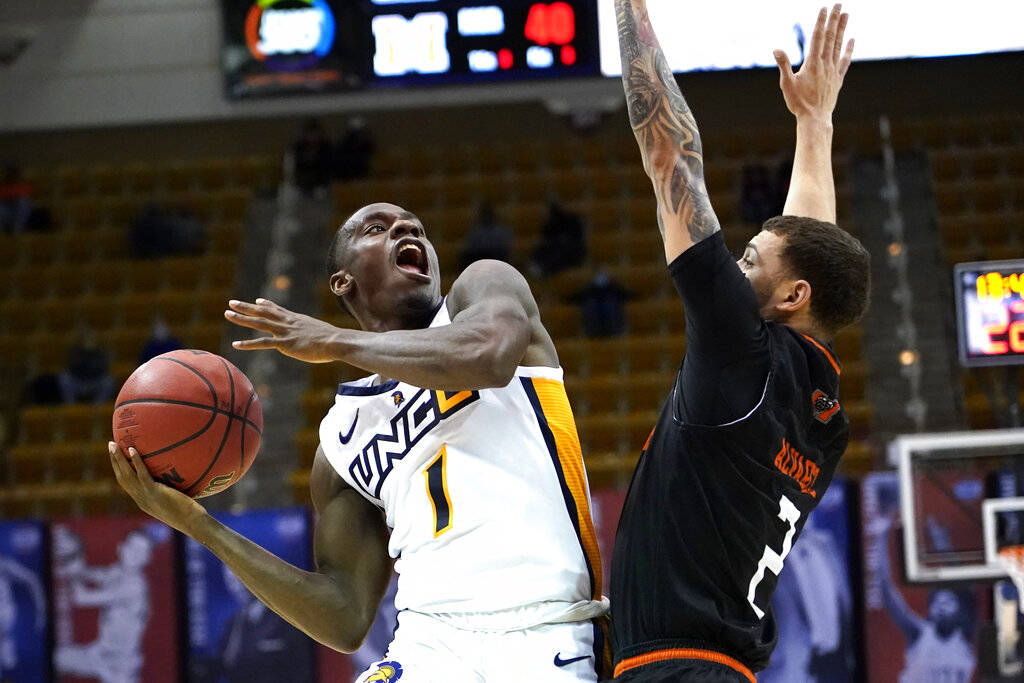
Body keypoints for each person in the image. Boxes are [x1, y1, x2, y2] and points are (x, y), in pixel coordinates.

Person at [109, 202, 608, 681]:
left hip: (544, 629)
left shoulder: (482, 290)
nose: (407, 231)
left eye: (415, 227)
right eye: (378, 228)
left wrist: (333, 342)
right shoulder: (340, 442)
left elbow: (490, 357)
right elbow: (344, 617)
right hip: (429, 646)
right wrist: (200, 526)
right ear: (342, 281)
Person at [609, 4, 870, 681]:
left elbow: (669, 152)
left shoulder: (742, 354)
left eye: (750, 257)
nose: (738, 263)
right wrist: (814, 124)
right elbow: (809, 251)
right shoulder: (821, 409)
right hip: (716, 665)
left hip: (677, 669)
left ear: (791, 298)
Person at [870, 518, 977, 682]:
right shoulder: (919, 634)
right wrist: (880, 537)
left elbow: (963, 587)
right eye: (937, 603)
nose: (941, 607)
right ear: (930, 611)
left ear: (959, 610)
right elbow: (887, 592)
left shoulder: (965, 636)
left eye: (947, 602)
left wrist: (943, 546)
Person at [53, 529, 154, 683]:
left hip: (120, 665)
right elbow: (88, 573)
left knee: (59, 659)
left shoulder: (134, 586)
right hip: (100, 654)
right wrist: (73, 562)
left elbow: (81, 598)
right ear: (121, 548)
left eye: (141, 551)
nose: (135, 554)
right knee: (57, 658)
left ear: (147, 558)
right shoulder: (116, 572)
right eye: (132, 547)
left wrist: (71, 563)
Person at [458, 200, 512, 271]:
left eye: (488, 214)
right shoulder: (476, 230)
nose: (487, 216)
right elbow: (470, 247)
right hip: (479, 259)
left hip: (496, 259)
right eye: (485, 213)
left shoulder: (500, 230)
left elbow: (504, 248)